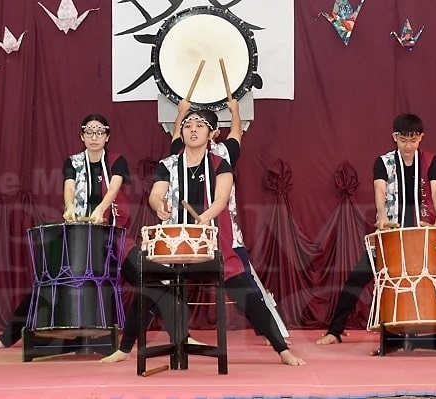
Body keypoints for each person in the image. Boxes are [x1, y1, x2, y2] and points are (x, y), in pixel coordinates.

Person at [101, 104, 306, 366]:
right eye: (187, 126)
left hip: (213, 241)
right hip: (175, 242)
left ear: (211, 134)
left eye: (199, 125)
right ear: (181, 134)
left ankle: (282, 350)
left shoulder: (221, 164)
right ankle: (125, 348)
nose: (193, 129)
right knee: (150, 287)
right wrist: (159, 205)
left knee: (247, 293)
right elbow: (155, 194)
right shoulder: (168, 165)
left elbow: (221, 198)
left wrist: (207, 215)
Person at [315, 112, 436, 349]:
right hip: (392, 234)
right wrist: (382, 218)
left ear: (421, 138)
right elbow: (379, 191)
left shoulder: (431, 162)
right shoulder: (383, 162)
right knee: (357, 278)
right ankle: (335, 331)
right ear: (395, 137)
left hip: (427, 233)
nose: (408, 146)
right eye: (403, 140)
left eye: (413, 140)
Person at [0, 113, 132, 350]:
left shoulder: (116, 161)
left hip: (111, 233)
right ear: (82, 136)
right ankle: (7, 338)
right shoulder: (73, 161)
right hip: (79, 234)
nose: (94, 137)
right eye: (89, 132)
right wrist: (70, 206)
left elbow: (114, 187)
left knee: (142, 273)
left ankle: (162, 336)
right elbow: (69, 187)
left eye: (100, 132)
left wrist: (101, 209)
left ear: (107, 136)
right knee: (48, 277)